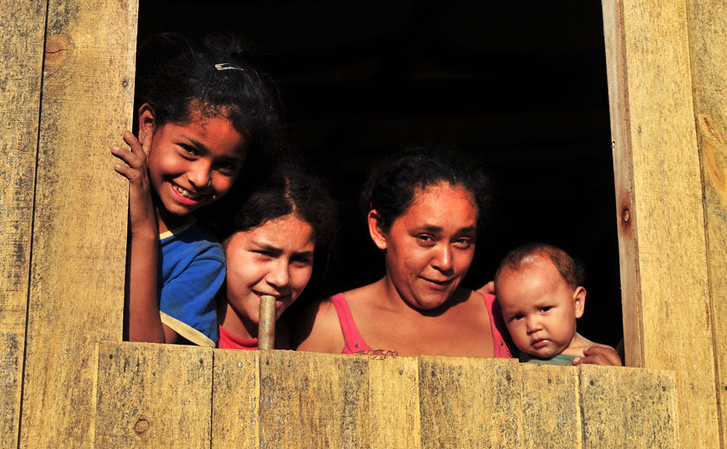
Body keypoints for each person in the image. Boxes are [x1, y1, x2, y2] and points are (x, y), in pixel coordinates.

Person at [112, 33, 279, 346]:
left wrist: (144, 231)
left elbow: (146, 353)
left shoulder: (201, 257)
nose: (201, 178)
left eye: (225, 165)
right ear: (148, 124)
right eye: (189, 150)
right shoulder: (97, 192)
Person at [294, 148, 512, 358]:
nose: (446, 262)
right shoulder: (328, 325)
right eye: (426, 238)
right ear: (380, 229)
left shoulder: (510, 320)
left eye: (462, 241)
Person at [217, 162, 337, 349]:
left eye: (299, 260)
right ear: (220, 244)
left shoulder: (300, 343)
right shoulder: (181, 335)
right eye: (264, 253)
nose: (281, 279)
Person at [494, 243, 621, 366]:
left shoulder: (601, 357)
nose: (533, 326)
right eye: (518, 317)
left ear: (577, 303)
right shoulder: (514, 359)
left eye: (545, 309)